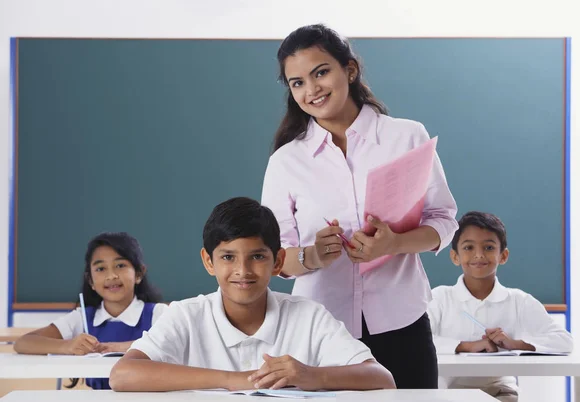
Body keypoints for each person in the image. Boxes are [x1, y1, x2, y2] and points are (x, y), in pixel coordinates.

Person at [261, 23, 458, 388]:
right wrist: (312, 256)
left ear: (349, 70)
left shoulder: (406, 136)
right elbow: (273, 255)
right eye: (297, 82)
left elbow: (443, 221)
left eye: (321, 72)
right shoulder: (287, 161)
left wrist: (395, 243)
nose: (311, 89)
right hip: (321, 329)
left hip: (402, 323)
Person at [109, 197, 395, 392]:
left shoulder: (308, 315)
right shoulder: (186, 315)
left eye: (257, 256)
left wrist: (312, 375)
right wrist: (233, 381)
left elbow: (382, 379)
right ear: (209, 262)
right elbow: (122, 375)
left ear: (279, 261)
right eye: (228, 257)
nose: (242, 270)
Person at [427, 211, 573, 401]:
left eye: (488, 247)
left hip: (499, 390)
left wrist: (516, 344)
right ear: (455, 256)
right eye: (469, 247)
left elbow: (564, 340)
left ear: (503, 256)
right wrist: (466, 346)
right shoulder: (439, 297)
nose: (478, 255)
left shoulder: (519, 301)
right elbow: (419, 343)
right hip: (447, 390)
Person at [14, 232, 166, 389]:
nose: (111, 276)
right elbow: (23, 343)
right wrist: (67, 346)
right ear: (91, 281)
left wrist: (120, 347)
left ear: (139, 274)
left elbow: (172, 345)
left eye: (120, 265)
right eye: (100, 268)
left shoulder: (158, 313)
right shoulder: (83, 317)